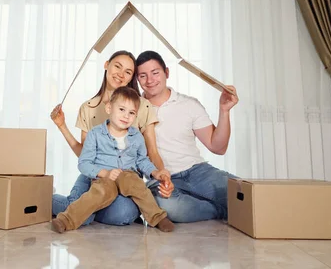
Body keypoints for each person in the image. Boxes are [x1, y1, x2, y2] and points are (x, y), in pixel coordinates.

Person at [50, 50, 173, 226]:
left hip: (128, 178)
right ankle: (60, 205)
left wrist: (159, 174)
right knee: (87, 209)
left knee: (124, 214)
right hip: (96, 174)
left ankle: (86, 211)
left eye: (128, 72)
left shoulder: (141, 108)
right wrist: (62, 126)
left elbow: (148, 155)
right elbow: (85, 158)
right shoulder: (89, 109)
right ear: (107, 65)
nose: (121, 74)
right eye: (117, 66)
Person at [135, 50, 239, 222]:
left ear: (166, 72)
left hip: (198, 172)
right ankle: (219, 211)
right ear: (138, 80)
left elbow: (218, 147)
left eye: (155, 73)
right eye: (143, 76)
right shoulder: (133, 108)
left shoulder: (189, 104)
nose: (150, 80)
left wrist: (224, 111)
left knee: (243, 194)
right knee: (168, 209)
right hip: (160, 178)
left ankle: (213, 205)